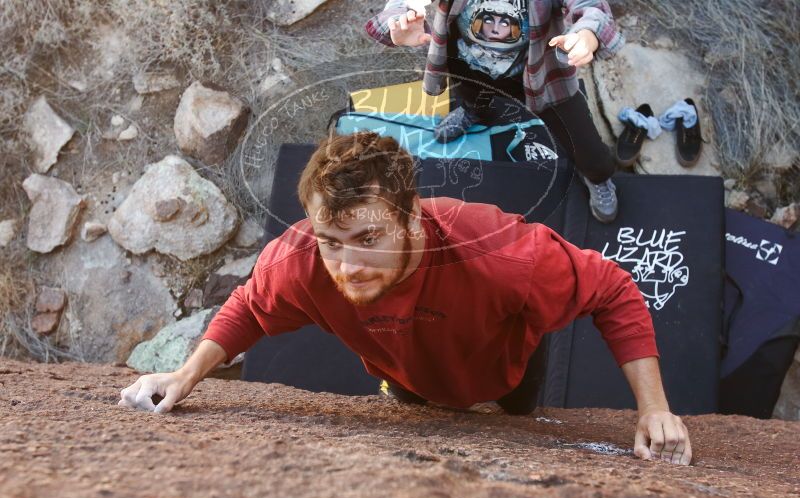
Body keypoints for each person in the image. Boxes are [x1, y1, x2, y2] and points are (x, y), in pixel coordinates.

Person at [119, 132, 692, 466]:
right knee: (411, 404)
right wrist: (185, 375)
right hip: (403, 373)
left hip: (503, 369)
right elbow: (250, 305)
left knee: (517, 407)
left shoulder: (497, 250)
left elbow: (614, 290)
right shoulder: (298, 258)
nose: (348, 265)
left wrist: (654, 410)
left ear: (412, 218)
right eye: (332, 242)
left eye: (369, 239)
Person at [365, 0, 623, 223]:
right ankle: (474, 112)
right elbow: (402, 5)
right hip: (470, 66)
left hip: (541, 74)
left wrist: (587, 34)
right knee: (473, 98)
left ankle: (598, 177)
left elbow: (591, 8)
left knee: (582, 140)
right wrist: (398, 22)